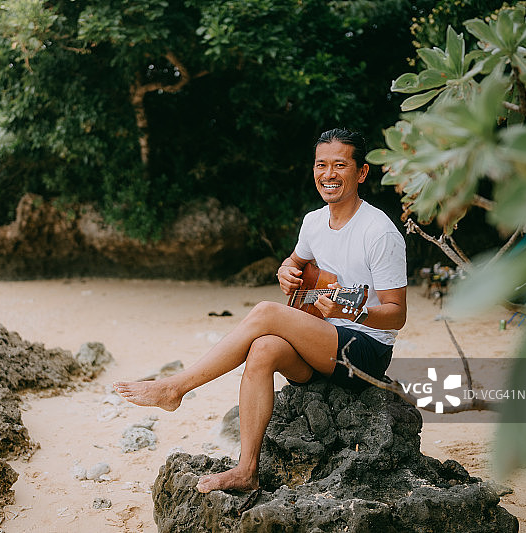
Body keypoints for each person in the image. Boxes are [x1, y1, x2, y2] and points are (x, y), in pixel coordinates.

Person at [114, 128, 407, 493]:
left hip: (364, 353)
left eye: (339, 165)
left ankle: (176, 388)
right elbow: (295, 261)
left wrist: (353, 314)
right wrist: (286, 270)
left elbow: (396, 314)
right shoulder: (313, 222)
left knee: (267, 313)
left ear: (361, 173)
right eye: (321, 165)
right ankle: (246, 470)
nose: (328, 174)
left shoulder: (379, 232)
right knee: (264, 347)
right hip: (322, 346)